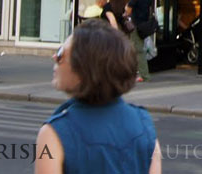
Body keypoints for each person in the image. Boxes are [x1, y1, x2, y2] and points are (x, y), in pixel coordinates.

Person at [36, 20, 162, 174]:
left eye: (61, 53)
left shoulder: (54, 133)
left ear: (84, 69)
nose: (54, 57)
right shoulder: (144, 124)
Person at [125, 0, 154, 82]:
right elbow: (150, 8)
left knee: (138, 50)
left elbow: (128, 11)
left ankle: (144, 75)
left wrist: (125, 11)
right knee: (137, 48)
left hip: (136, 25)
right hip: (145, 25)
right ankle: (137, 72)